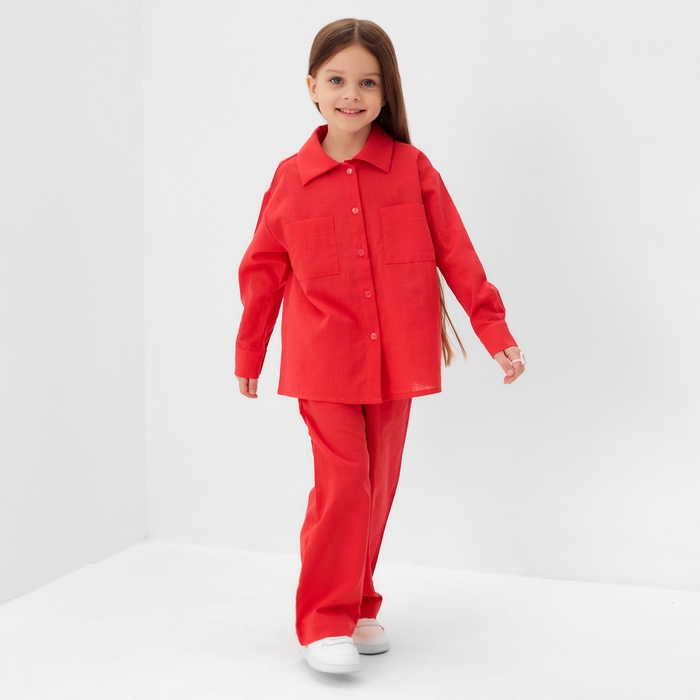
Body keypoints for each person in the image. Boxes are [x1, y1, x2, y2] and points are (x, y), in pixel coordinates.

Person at [234, 18, 526, 675]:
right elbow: (263, 269)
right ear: (312, 87)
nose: (351, 94)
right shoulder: (290, 179)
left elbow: (457, 253)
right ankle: (322, 620)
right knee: (343, 485)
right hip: (323, 362)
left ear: (386, 92)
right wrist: (250, 350)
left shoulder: (413, 170)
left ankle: (358, 600)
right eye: (337, 80)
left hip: (397, 361)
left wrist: (494, 331)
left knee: (376, 486)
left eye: (367, 82)